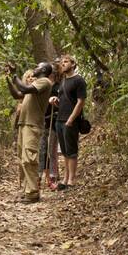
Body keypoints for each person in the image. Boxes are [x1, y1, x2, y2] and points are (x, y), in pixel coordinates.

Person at [5, 62, 54, 204]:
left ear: (44, 70)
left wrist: (15, 75)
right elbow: (17, 94)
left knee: (29, 159)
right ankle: (27, 191)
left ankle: (32, 193)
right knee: (22, 160)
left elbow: (24, 88)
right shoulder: (34, 85)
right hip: (23, 124)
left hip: (32, 125)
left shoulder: (44, 82)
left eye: (38, 67)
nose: (34, 68)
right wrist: (8, 79)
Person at [49, 55, 86, 190]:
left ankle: (71, 179)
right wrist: (55, 101)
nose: (63, 64)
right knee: (64, 151)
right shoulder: (63, 81)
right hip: (59, 120)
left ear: (73, 64)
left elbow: (80, 102)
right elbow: (64, 102)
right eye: (62, 62)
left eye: (66, 62)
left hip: (70, 121)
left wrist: (71, 119)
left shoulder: (79, 80)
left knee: (71, 151)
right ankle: (65, 178)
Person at [39, 60, 61, 190]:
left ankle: (53, 175)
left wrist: (55, 101)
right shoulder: (43, 85)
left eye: (52, 72)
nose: (51, 74)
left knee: (52, 149)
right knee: (42, 149)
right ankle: (40, 176)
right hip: (42, 121)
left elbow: (62, 102)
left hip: (54, 120)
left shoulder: (58, 86)